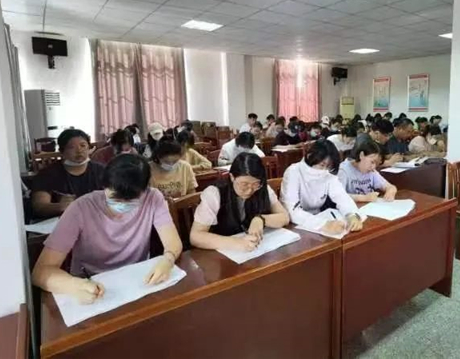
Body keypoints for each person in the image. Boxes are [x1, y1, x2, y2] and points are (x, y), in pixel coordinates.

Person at [32, 154, 183, 303]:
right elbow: (41, 272)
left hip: (137, 280)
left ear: (145, 189)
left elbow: (173, 243)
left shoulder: (153, 198)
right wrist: (75, 285)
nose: (122, 204)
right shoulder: (80, 208)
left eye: (131, 200)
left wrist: (167, 260)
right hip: (92, 283)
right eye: (114, 198)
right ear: (104, 186)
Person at [190, 154, 290, 251]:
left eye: (255, 184)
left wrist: (261, 219)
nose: (249, 190)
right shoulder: (214, 193)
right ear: (232, 177)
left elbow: (284, 217)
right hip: (223, 253)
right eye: (244, 184)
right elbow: (195, 236)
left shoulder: (263, 188)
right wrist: (236, 243)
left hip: (255, 251)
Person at [281, 140, 364, 235]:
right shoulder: (293, 172)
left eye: (329, 167)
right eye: (322, 165)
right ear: (310, 156)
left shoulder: (328, 174)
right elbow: (292, 210)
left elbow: (341, 196)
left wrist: (351, 215)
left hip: (319, 216)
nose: (325, 170)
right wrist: (323, 224)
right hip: (295, 225)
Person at [32, 129, 105, 219]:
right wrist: (60, 206)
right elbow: (39, 206)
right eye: (71, 147)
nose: (79, 151)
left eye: (83, 145)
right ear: (62, 151)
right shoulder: (47, 174)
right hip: (61, 221)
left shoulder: (102, 171)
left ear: (89, 148)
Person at [338, 138, 397, 203]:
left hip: (370, 206)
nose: (373, 167)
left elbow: (390, 186)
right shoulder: (343, 170)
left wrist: (391, 191)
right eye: (372, 162)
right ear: (361, 155)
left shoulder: (371, 171)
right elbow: (338, 196)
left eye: (376, 164)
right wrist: (364, 198)